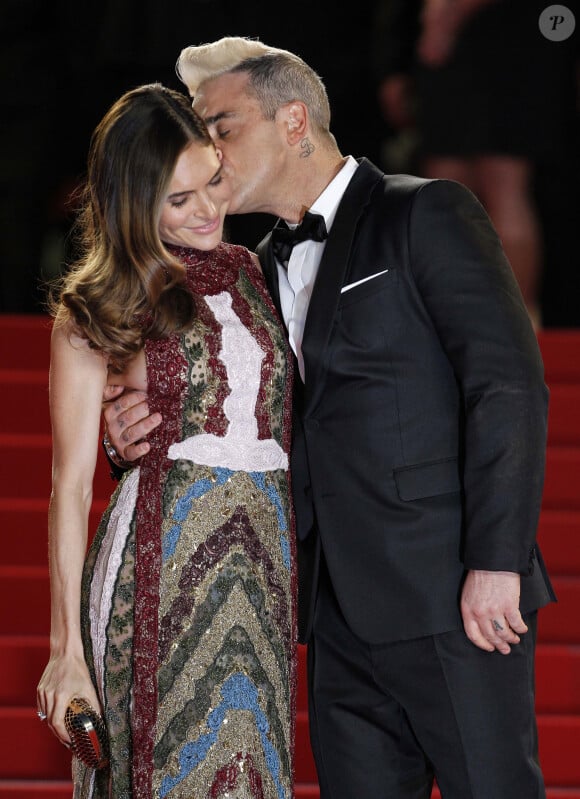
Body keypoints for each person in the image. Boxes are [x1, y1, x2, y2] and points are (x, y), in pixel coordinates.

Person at [103, 37, 555, 798]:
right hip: (333, 614)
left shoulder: (425, 211)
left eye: (221, 125)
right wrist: (127, 436)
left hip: (452, 597)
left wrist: (496, 561)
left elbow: (506, 386)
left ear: (293, 121)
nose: (204, 151)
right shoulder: (250, 270)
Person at [36, 82, 296, 799]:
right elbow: (69, 487)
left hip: (264, 573)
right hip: (158, 574)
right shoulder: (99, 305)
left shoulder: (252, 272)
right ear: (135, 202)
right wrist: (66, 653)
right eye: (179, 200)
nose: (208, 209)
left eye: (212, 182)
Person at [372, 0, 579, 331]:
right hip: (491, 45)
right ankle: (460, 323)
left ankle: (514, 327)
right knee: (450, 185)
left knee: (501, 181)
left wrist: (447, 16)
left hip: (503, 36)